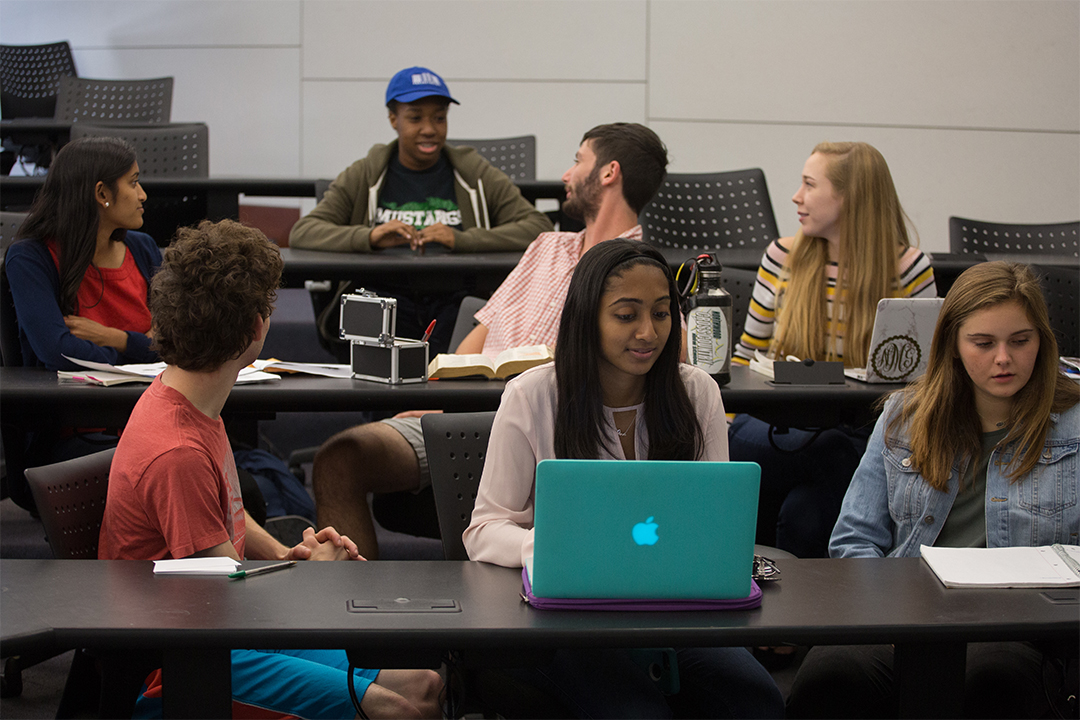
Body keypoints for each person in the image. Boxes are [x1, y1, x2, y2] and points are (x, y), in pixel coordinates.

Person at [98, 220, 442, 719]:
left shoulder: (192, 399)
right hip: (181, 657)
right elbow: (223, 592)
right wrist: (309, 578)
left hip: (212, 627)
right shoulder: (177, 450)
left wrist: (285, 552)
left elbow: (224, 527)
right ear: (255, 327)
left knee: (425, 685)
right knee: (401, 710)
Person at [312, 122, 669, 560]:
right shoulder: (546, 246)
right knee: (339, 458)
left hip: (543, 429)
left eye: (578, 161)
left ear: (609, 173)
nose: (567, 174)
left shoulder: (644, 273)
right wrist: (437, 396)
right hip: (465, 415)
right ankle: (352, 617)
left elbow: (664, 358)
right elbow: (479, 336)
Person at [463, 239, 783, 718]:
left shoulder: (697, 392)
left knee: (756, 701)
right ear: (586, 319)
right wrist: (548, 548)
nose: (647, 332)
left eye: (661, 313)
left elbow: (717, 520)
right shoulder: (532, 395)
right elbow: (484, 530)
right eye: (626, 315)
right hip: (566, 621)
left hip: (674, 610)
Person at [786, 261, 1080, 719]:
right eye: (983, 343)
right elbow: (854, 540)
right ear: (954, 346)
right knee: (832, 678)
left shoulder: (1075, 422)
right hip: (905, 619)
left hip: (1024, 628)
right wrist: (889, 622)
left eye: (1020, 341)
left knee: (992, 679)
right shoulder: (905, 414)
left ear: (1041, 341)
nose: (1004, 358)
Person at [729, 141, 937, 559]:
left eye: (809, 185)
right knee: (837, 453)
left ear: (849, 197)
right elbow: (744, 359)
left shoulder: (910, 268)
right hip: (769, 427)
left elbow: (926, 379)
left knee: (805, 512)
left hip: (864, 430)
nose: (796, 197)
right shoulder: (781, 256)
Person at [288, 65, 553, 357]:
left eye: (439, 118)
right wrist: (371, 236)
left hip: (455, 297)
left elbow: (537, 226)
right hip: (382, 295)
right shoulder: (367, 173)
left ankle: (442, 403)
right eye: (415, 118)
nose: (430, 129)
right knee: (380, 375)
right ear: (393, 119)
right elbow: (304, 231)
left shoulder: (473, 171)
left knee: (451, 368)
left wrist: (461, 240)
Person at [5, 136, 159, 371]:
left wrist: (113, 338)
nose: (142, 195)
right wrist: (142, 348)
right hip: (67, 403)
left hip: (147, 397)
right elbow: (59, 352)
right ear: (102, 194)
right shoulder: (29, 258)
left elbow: (177, 342)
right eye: (133, 182)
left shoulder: (143, 248)